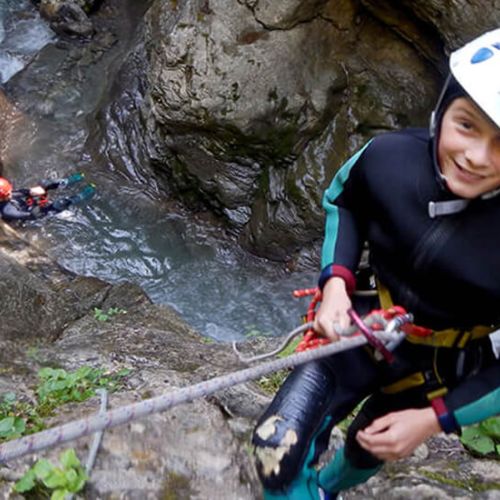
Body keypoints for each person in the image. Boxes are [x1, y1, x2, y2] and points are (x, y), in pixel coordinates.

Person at [252, 28, 500, 499]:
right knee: (274, 448)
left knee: (369, 450)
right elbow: (343, 201)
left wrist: (433, 420)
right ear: (443, 109)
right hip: (360, 324)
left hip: (441, 368)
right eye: (466, 125)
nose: (476, 157)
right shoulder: (390, 158)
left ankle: (327, 487)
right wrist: (336, 285)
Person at [0, 172, 95, 222]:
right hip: (32, 213)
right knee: (61, 203)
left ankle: (68, 181)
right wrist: (38, 206)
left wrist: (31, 191)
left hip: (26, 204)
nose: (11, 193)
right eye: (8, 193)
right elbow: (31, 215)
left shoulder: (8, 195)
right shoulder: (7, 211)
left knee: (46, 183)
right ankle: (79, 197)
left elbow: (19, 193)